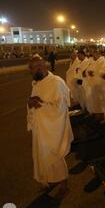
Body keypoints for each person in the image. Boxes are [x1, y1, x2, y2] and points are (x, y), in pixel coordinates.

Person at [27, 55, 73, 200]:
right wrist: (30, 103)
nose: (38, 69)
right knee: (41, 155)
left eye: (40, 66)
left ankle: (64, 186)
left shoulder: (56, 82)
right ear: (30, 70)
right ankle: (46, 180)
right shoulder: (37, 83)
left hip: (53, 127)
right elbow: (34, 102)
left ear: (45, 66)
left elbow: (61, 107)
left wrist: (40, 105)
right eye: (34, 67)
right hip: (40, 128)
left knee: (54, 155)